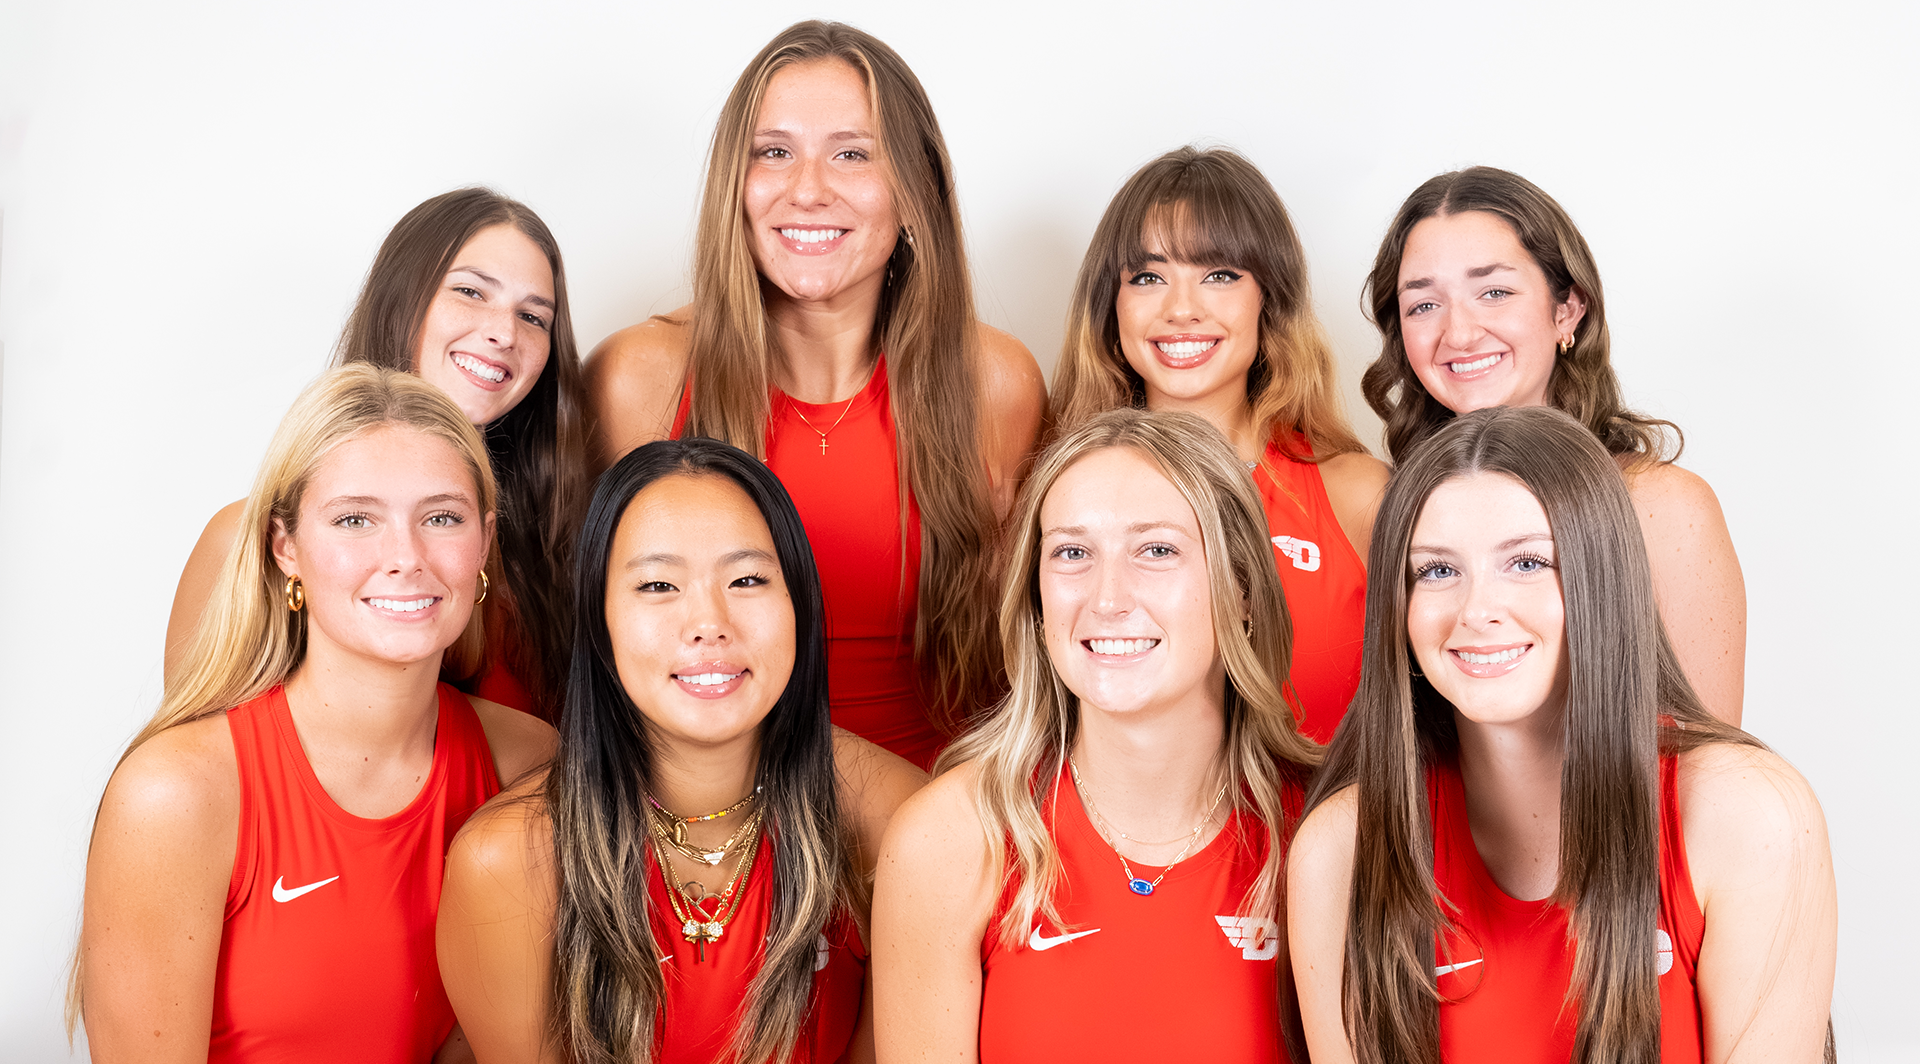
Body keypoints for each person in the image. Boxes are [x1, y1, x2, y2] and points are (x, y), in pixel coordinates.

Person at [1287, 407, 1834, 1064]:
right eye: (1435, 570)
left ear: (1602, 581)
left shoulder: (1749, 816)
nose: (1477, 609)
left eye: (1526, 562)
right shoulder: (1339, 850)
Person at [587, 20, 1047, 769]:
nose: (807, 189)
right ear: (734, 185)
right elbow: (581, 651)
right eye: (774, 153)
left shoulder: (994, 382)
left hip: (930, 824)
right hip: (705, 825)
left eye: (852, 154)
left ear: (913, 188)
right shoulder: (638, 376)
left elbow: (1017, 668)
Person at [75, 364, 556, 1062]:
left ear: (483, 541)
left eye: (441, 518)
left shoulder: (529, 763)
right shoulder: (174, 798)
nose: (406, 557)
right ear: (286, 548)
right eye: (356, 519)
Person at [437, 438, 924, 1064]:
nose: (708, 621)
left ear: (799, 603)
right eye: (658, 584)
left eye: (748, 579)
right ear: (600, 621)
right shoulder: (507, 863)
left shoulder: (899, 826)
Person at [874, 409, 1321, 1061]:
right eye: (1073, 553)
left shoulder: (1323, 835)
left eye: (1157, 549)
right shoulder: (948, 839)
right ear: (1035, 596)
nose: (1108, 598)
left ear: (1244, 586)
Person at [167, 188, 588, 718]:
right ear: (402, 297)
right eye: (471, 292)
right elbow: (194, 768)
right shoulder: (244, 542)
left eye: (533, 318)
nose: (504, 332)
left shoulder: (548, 549)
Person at [1360, 166, 1744, 724]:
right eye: (1423, 305)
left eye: (1494, 292)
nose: (1459, 333)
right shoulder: (1393, 509)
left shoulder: (1664, 509)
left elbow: (1710, 765)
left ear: (1567, 309)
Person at [1052, 146, 1388, 742]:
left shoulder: (1357, 497)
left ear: (1270, 299)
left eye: (1220, 275)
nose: (1181, 309)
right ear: (1112, 305)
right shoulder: (1062, 503)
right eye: (1148, 277)